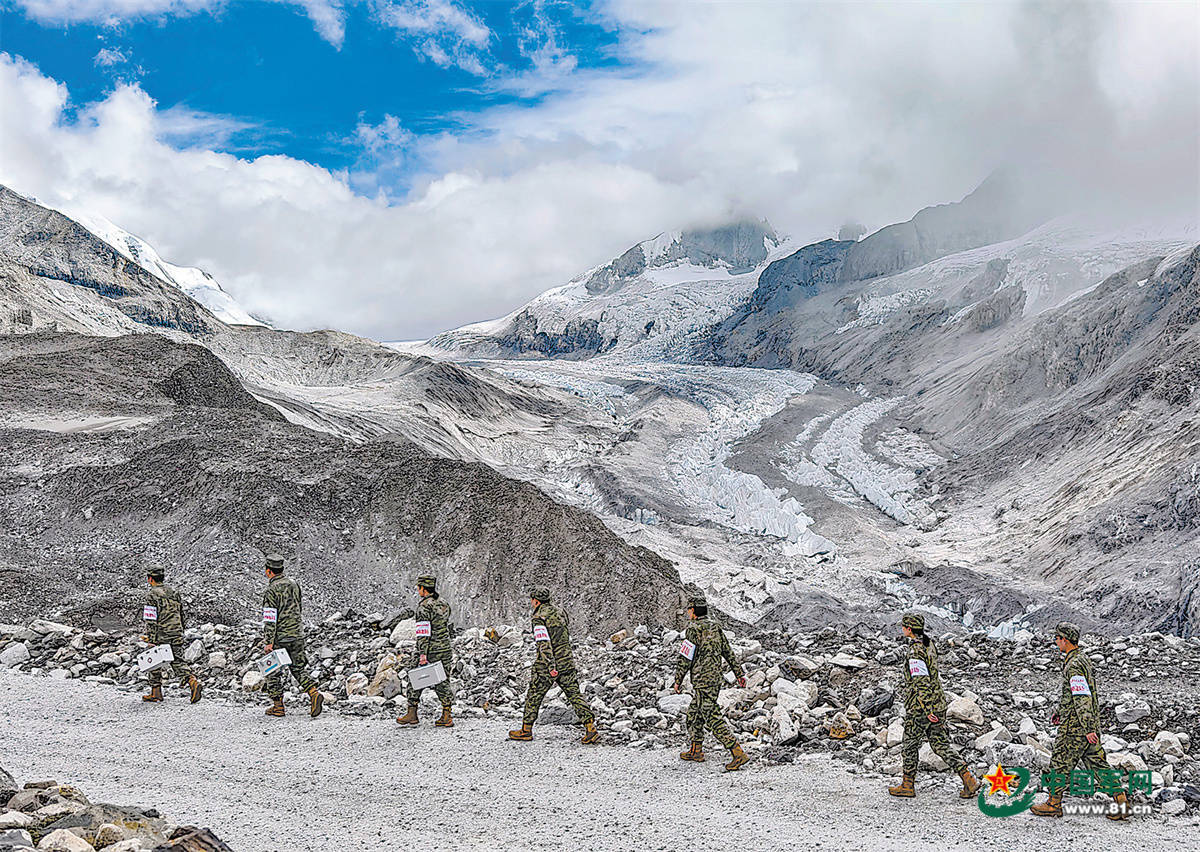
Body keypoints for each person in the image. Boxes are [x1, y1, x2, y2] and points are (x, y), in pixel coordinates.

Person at [1030, 622, 1128, 820]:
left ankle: (1053, 803)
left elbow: (1081, 697)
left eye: (1057, 639)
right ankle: (1121, 800)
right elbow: (1077, 693)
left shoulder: (1073, 664)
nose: (1056, 642)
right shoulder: (1081, 659)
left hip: (1075, 727)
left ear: (1064, 639)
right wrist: (1061, 711)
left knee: (1059, 762)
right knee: (1097, 764)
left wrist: (1087, 728)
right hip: (1083, 724)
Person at [887, 613, 980, 799]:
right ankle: (968, 778)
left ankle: (907, 784)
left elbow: (921, 681)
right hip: (938, 702)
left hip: (921, 706)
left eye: (904, 626)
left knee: (910, 745)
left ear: (908, 629)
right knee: (940, 744)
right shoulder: (929, 644)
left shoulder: (915, 651)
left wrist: (927, 709)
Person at [508, 586, 599, 744]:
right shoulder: (561, 612)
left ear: (536, 601)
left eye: (531, 599)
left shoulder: (538, 617)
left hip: (548, 664)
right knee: (574, 695)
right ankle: (590, 728)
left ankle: (526, 730)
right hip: (567, 661)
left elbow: (544, 643)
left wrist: (551, 667)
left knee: (534, 695)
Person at [673, 594, 749, 771]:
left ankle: (737, 753)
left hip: (701, 681)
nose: (687, 612)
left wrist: (678, 680)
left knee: (712, 716)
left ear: (693, 611)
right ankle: (696, 750)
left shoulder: (693, 629)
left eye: (689, 609)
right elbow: (728, 651)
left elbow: (685, 657)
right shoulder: (716, 627)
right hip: (715, 679)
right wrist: (739, 674)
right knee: (694, 713)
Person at [260, 553, 323, 718]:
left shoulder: (270, 591)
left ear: (268, 571)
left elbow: (270, 619)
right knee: (298, 668)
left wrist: (268, 642)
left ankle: (278, 706)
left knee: (272, 671)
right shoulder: (294, 585)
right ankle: (313, 693)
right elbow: (299, 608)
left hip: (280, 637)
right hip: (297, 634)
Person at [396, 575, 454, 728]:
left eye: (418, 587)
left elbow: (423, 633)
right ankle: (447, 714)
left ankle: (412, 713)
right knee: (443, 680)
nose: (417, 590)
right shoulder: (443, 603)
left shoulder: (423, 607)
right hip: (445, 648)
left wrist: (422, 655)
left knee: (415, 678)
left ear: (423, 588)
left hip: (431, 649)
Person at [140, 568, 202, 704]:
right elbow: (181, 613)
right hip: (176, 631)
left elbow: (151, 618)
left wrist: (151, 638)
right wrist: (180, 630)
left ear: (150, 579)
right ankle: (192, 680)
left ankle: (156, 692)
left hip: (161, 632)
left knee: (154, 660)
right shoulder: (174, 592)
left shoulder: (151, 595)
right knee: (177, 660)